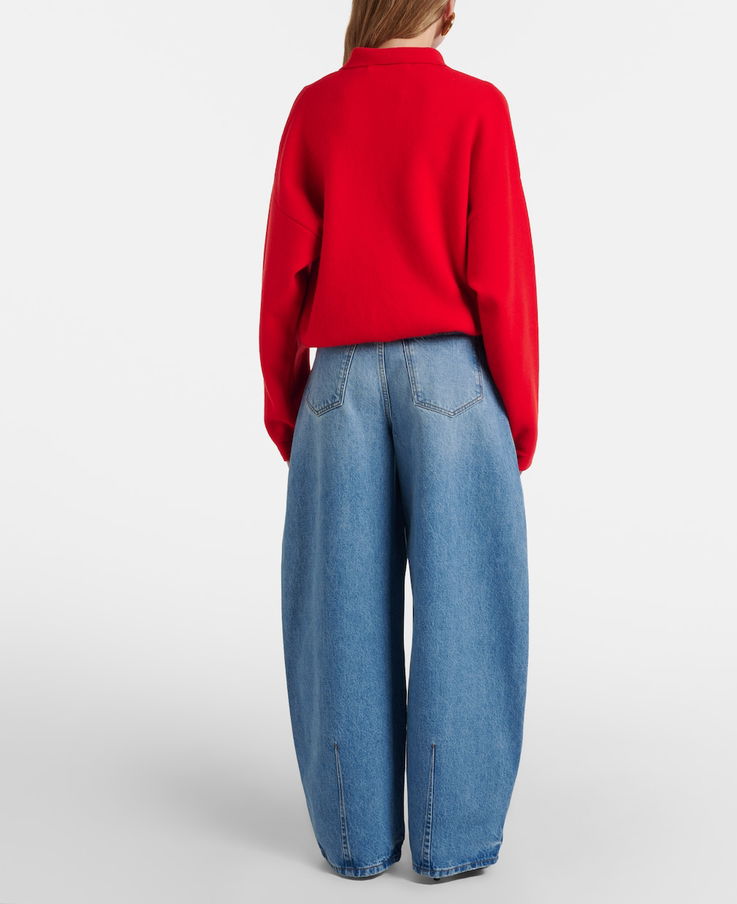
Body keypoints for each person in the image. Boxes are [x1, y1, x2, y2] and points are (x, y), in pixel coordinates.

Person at [258, 0, 539, 882]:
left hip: (337, 382)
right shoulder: (478, 109)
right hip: (454, 379)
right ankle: (454, 838)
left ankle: (356, 838)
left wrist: (288, 406)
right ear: (446, 11)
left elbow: (283, 277)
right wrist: (518, 416)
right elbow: (501, 278)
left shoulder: (317, 108)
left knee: (337, 611)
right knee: (469, 606)